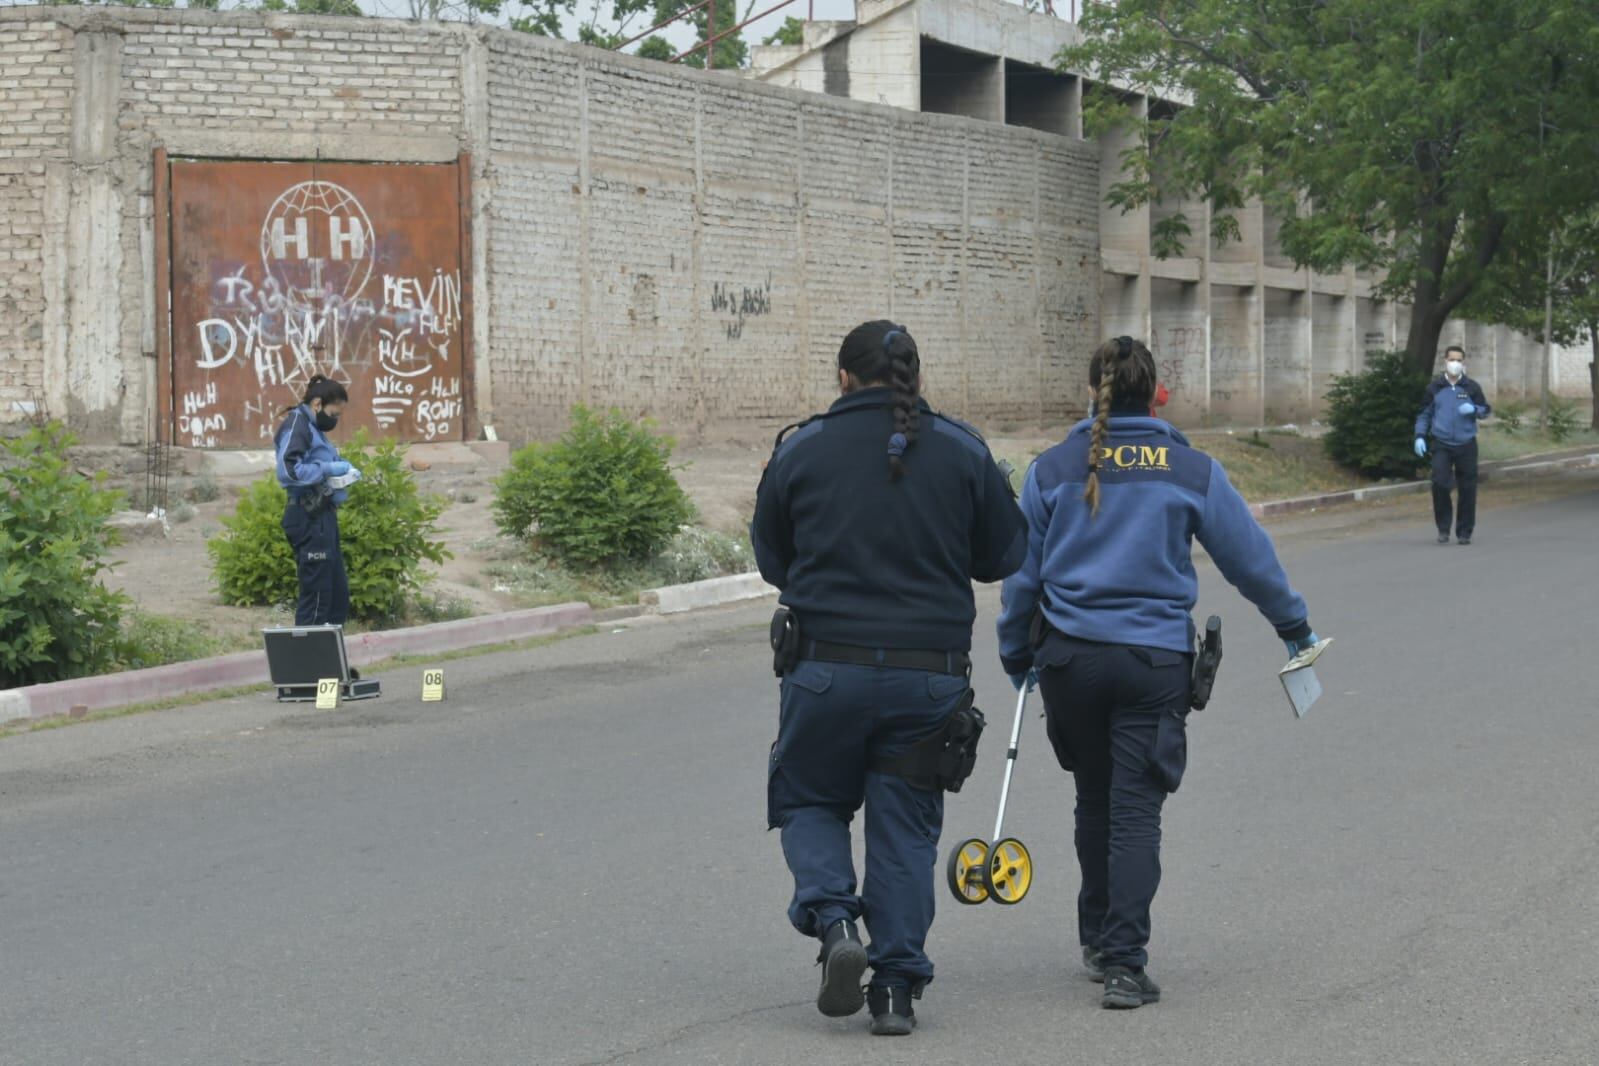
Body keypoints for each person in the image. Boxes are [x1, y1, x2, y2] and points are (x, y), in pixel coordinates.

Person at [995, 336, 1318, 1010]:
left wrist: (1013, 653)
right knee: (1136, 812)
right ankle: (1123, 963)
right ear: (1156, 392)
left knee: (1093, 798)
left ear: (1093, 391)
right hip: (1151, 664)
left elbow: (1020, 580)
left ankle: (1094, 940)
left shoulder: (1051, 467)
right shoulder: (1188, 468)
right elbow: (1247, 560)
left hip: (1069, 660)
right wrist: (1293, 628)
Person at [752, 320, 1026, 1036]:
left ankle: (835, 920)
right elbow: (1003, 553)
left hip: (823, 673)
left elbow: (774, 563)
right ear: (915, 378)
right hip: (926, 680)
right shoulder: (962, 451)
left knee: (809, 798)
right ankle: (896, 990)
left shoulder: (801, 450)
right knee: (905, 831)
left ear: (842, 377)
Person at [274, 375, 360, 627]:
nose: (335, 420)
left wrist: (343, 475)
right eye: (334, 413)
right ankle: (306, 664)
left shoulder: (313, 429)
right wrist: (327, 469)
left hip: (323, 517)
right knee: (318, 598)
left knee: (336, 598)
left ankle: (328, 662)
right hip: (307, 517)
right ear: (317, 404)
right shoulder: (297, 425)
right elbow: (288, 471)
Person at [1414, 345, 1491, 545]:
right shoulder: (1434, 388)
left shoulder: (1472, 387)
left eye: (1458, 360)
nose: (1455, 364)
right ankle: (1443, 528)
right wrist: (1420, 436)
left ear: (1463, 363)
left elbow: (1485, 410)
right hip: (1441, 443)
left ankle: (1464, 531)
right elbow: (1424, 414)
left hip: (1466, 444)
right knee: (1440, 483)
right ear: (1445, 361)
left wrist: (1473, 409)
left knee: (1467, 488)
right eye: (1451, 360)